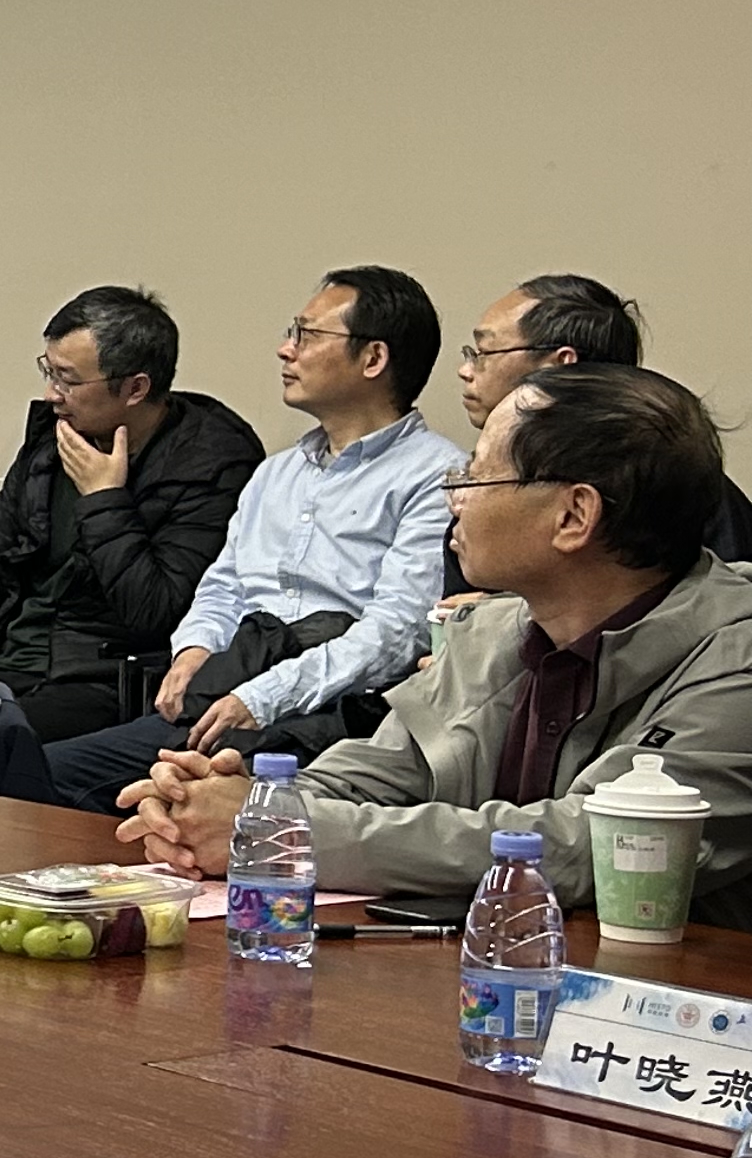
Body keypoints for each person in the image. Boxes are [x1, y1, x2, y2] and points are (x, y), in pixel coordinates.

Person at [119, 366, 752, 926]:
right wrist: (226, 804)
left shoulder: (736, 657)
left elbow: (592, 845)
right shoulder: (494, 632)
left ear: (572, 516)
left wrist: (280, 831)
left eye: (476, 476)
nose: (454, 498)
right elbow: (376, 774)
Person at [41, 267, 461, 810]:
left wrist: (263, 696)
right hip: (230, 693)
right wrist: (194, 649)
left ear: (373, 358)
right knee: (37, 773)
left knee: (178, 799)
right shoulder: (277, 472)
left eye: (307, 334)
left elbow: (396, 633)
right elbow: (225, 584)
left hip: (330, 717)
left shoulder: (436, 476)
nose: (286, 349)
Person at [0, 286, 264, 739]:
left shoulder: (213, 462)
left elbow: (156, 612)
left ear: (135, 388)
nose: (51, 394)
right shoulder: (56, 435)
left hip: (101, 678)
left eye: (68, 380)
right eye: (49, 372)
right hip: (2, 658)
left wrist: (104, 499)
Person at [456, 273, 752, 563]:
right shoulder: (490, 484)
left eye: (483, 352)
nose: (465, 370)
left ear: (560, 367)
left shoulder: (678, 486)